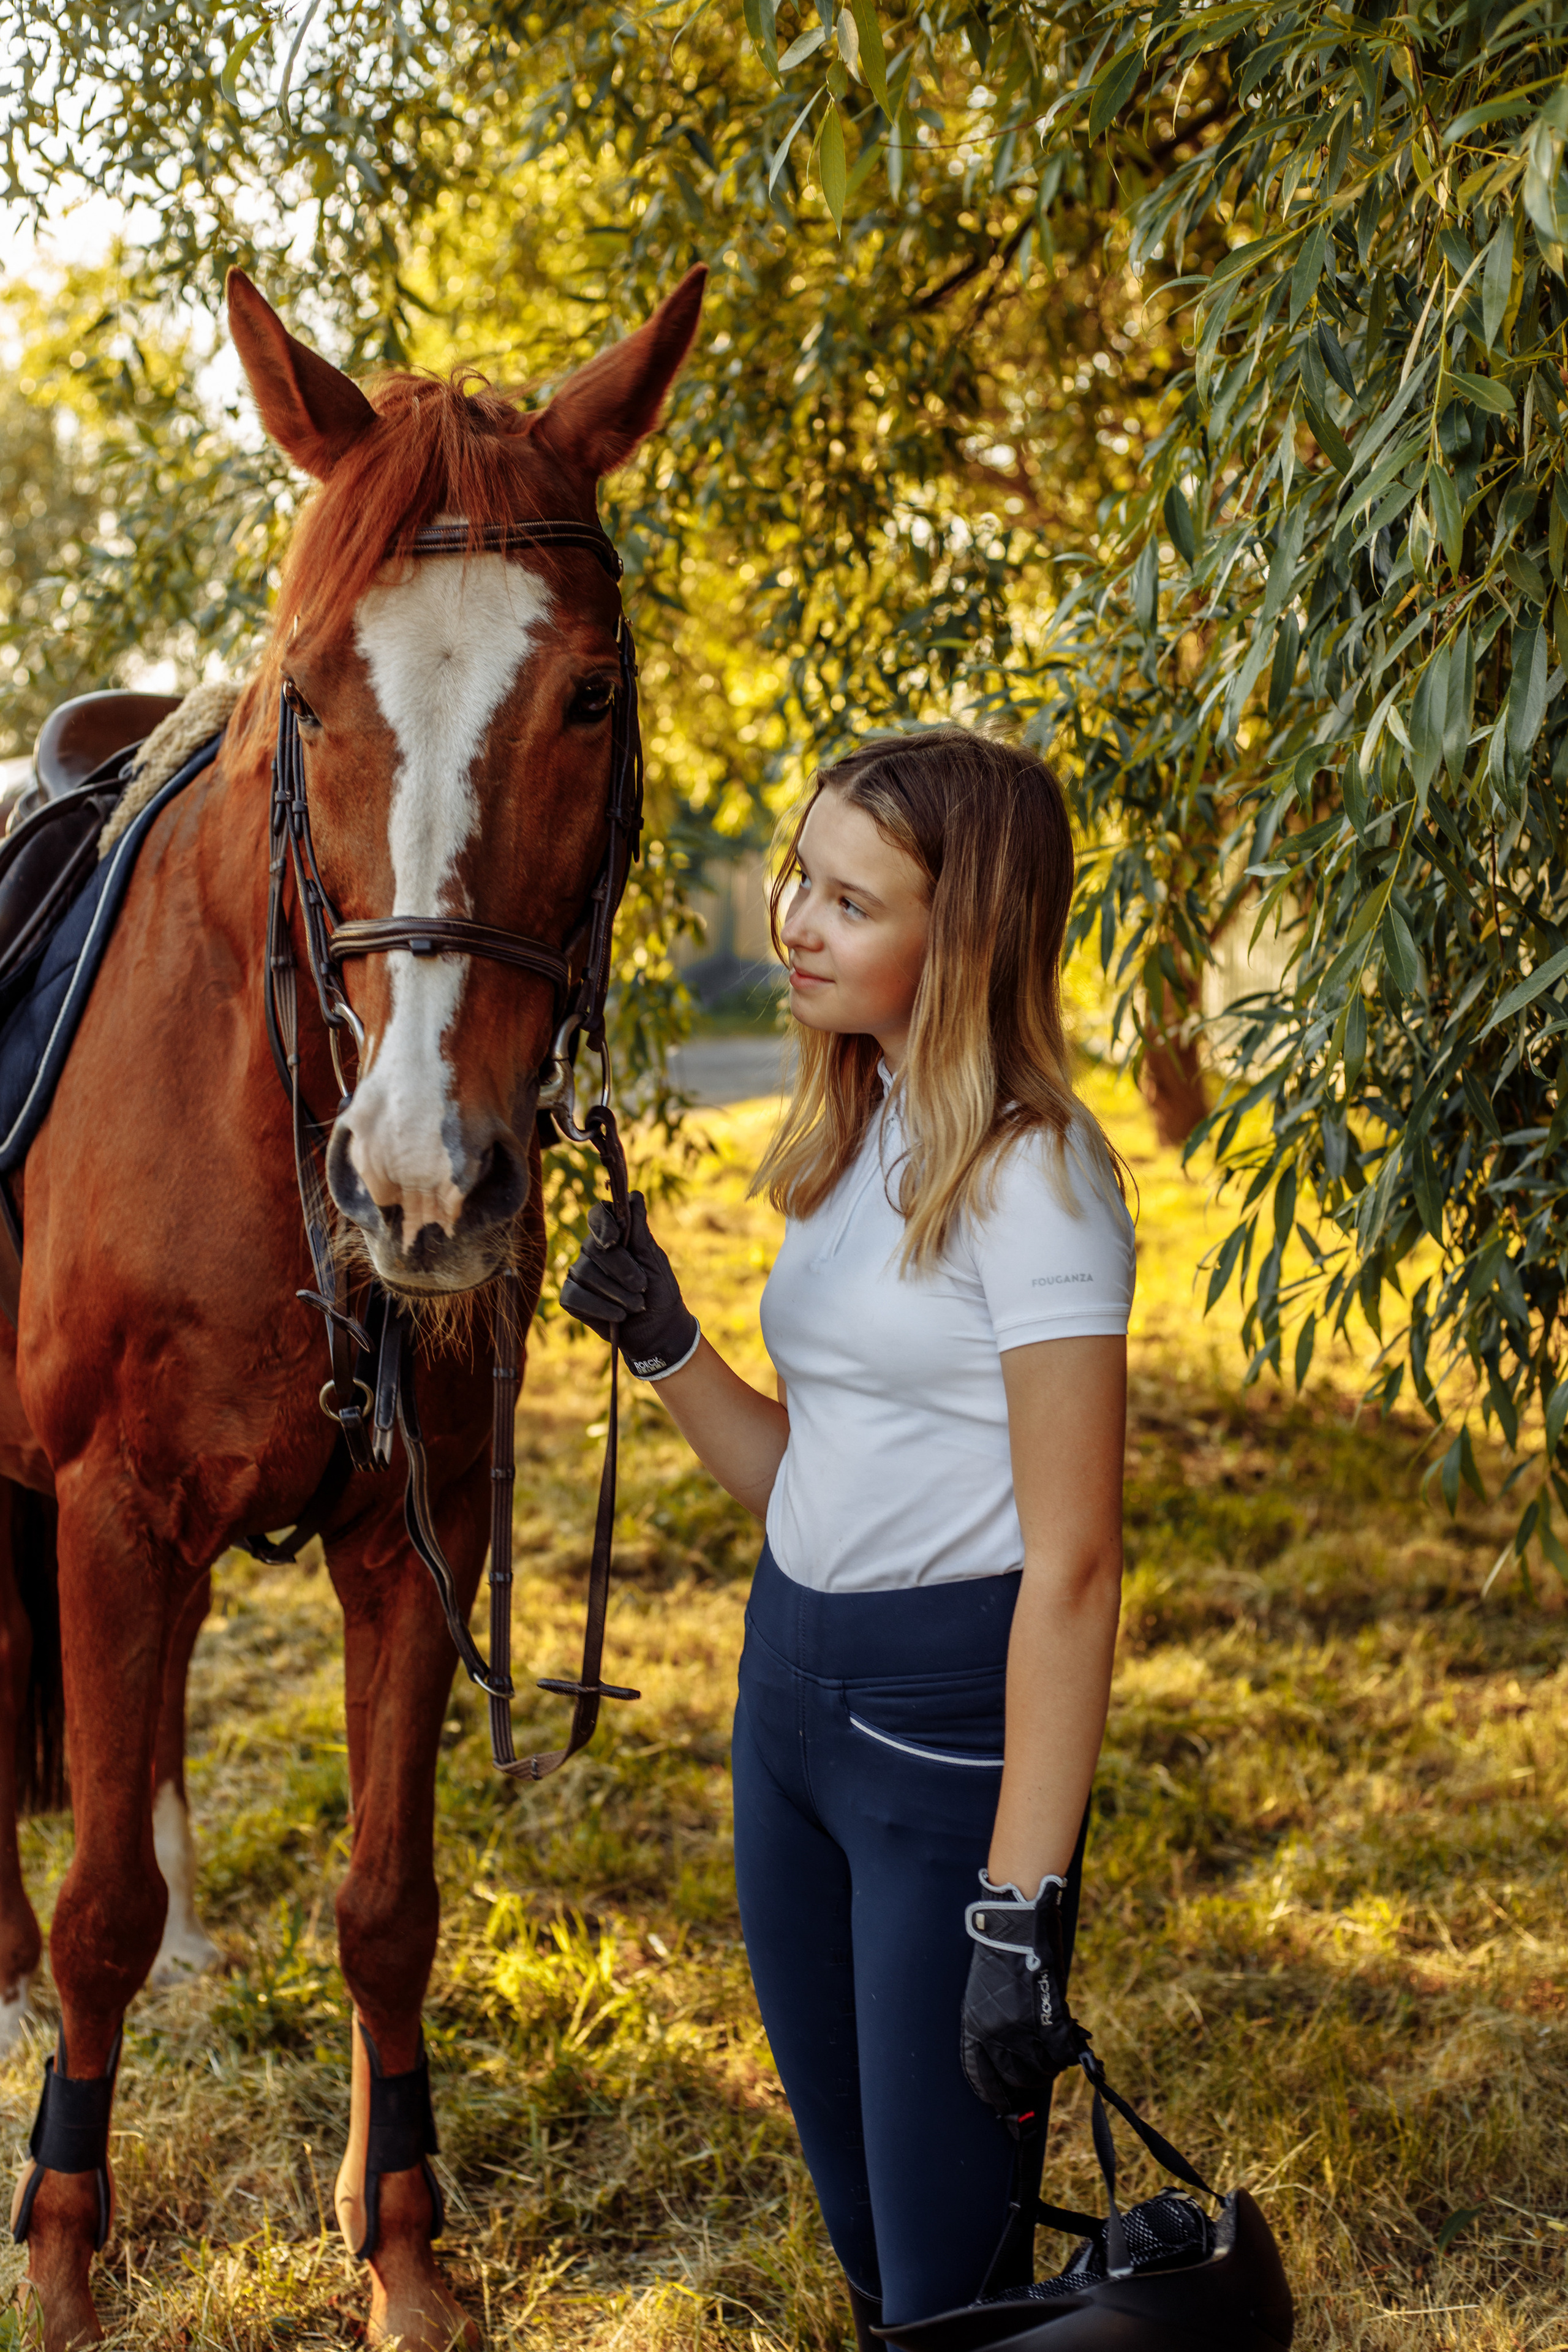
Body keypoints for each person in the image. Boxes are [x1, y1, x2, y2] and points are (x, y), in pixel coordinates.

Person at [560, 728, 1134, 2346]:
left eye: (846, 900)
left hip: (943, 1746)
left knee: (952, 2274)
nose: (794, 922)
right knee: (868, 2228)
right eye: (800, 879)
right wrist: (671, 1344)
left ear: (963, 938)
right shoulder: (857, 1131)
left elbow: (1078, 1566)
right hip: (788, 1706)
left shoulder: (1039, 1178)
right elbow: (814, 1481)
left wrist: (1020, 1906)